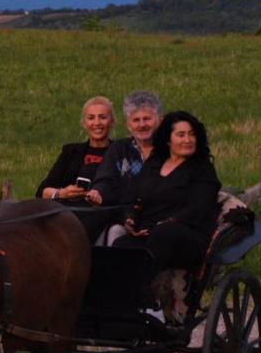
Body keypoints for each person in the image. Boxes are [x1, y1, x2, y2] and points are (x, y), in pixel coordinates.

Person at [111, 110, 221, 271]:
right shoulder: (153, 165)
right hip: (150, 232)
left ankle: (143, 288)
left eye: (191, 134)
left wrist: (169, 222)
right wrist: (130, 219)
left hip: (188, 235)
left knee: (164, 233)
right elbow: (134, 196)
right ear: (168, 140)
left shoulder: (203, 169)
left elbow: (199, 208)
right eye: (181, 135)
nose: (188, 140)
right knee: (121, 244)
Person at [35, 96, 117, 241]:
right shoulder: (71, 152)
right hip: (68, 209)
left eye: (102, 117)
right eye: (91, 118)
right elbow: (43, 191)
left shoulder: (120, 151)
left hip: (99, 213)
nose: (96, 123)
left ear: (112, 121)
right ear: (84, 123)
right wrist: (62, 193)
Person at [86, 90, 161, 208]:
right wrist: (99, 193)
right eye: (136, 120)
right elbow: (106, 179)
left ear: (160, 119)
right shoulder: (118, 149)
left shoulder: (171, 149)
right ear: (128, 124)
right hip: (125, 216)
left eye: (147, 119)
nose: (142, 125)